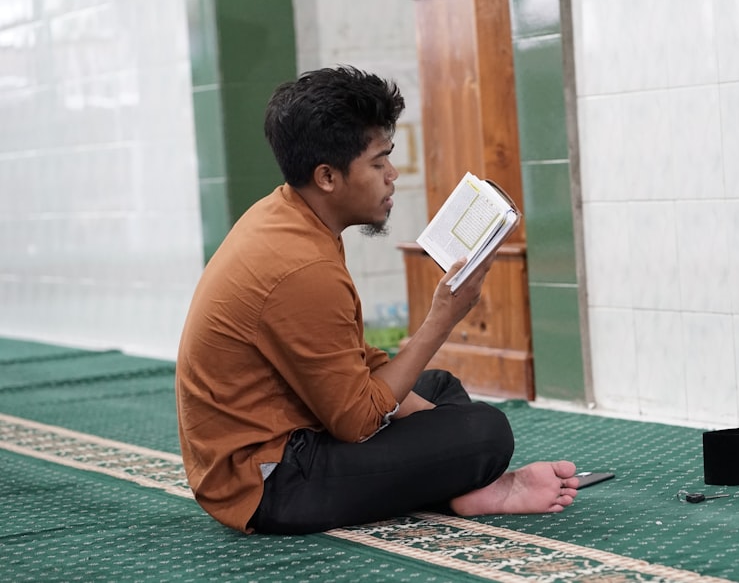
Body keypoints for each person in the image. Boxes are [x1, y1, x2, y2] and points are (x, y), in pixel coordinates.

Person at [175, 66, 578, 535]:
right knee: (484, 433)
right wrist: (441, 321)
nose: (392, 176)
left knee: (440, 389)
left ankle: (467, 483)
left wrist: (440, 430)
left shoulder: (289, 215)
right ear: (327, 176)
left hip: (294, 431)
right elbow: (357, 422)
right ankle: (471, 477)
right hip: (269, 481)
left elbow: (352, 363)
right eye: (378, 162)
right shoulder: (301, 268)